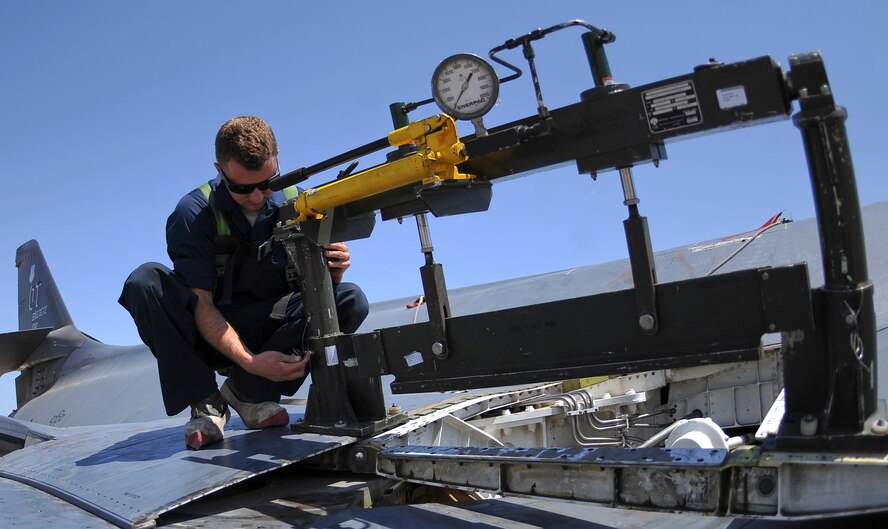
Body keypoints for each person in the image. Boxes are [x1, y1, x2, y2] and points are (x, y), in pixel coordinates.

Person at [119, 116, 368, 450]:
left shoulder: (299, 203)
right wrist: (250, 361)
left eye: (267, 184)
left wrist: (333, 270)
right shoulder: (193, 213)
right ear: (220, 171)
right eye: (241, 189)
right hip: (209, 330)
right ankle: (206, 401)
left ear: (278, 161)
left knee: (349, 299)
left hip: (266, 323)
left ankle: (248, 394)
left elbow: (311, 288)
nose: (256, 198)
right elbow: (201, 303)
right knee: (144, 282)